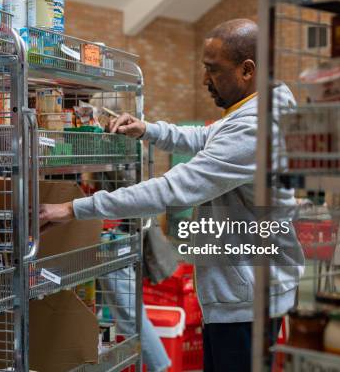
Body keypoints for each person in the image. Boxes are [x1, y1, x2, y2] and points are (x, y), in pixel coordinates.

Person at [40, 19, 303, 372]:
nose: (205, 81)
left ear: (247, 69)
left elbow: (172, 189)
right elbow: (204, 138)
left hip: (247, 299)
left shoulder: (255, 126)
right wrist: (148, 130)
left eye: (213, 70)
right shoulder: (257, 107)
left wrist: (73, 208)